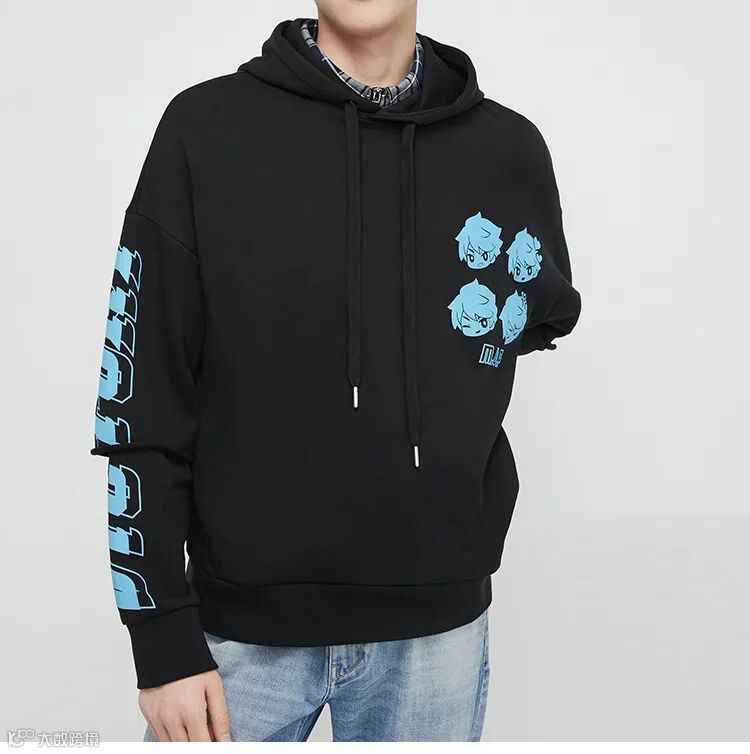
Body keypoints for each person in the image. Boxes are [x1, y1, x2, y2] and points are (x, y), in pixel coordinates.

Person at [92, 0, 581, 742]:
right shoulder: (205, 130)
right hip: (236, 643)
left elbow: (527, 321)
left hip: (437, 635)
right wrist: (159, 638)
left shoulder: (507, 151)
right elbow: (141, 395)